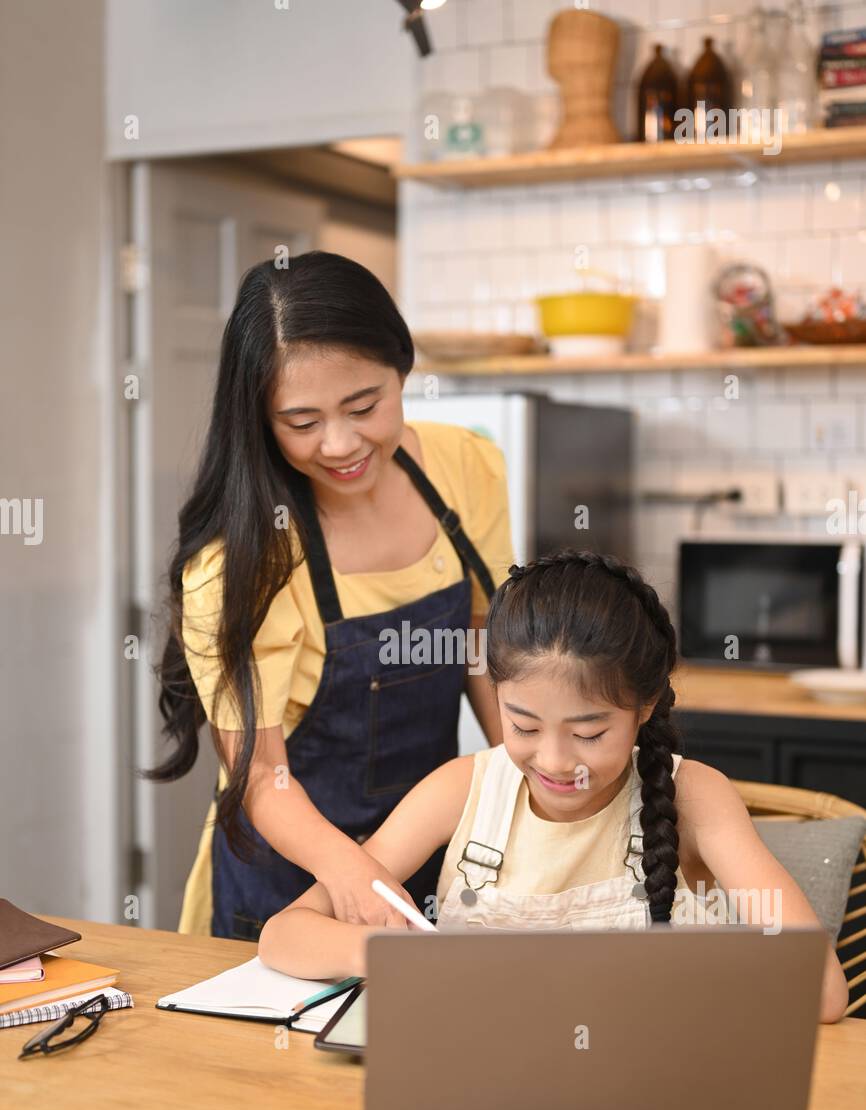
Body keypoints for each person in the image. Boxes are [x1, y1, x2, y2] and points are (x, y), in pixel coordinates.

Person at [258, 550, 850, 1023]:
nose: (556, 760)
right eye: (523, 725)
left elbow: (823, 991)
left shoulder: (695, 796)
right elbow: (283, 937)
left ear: (645, 706)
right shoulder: (463, 788)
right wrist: (403, 957)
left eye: (589, 732)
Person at [144, 252, 514, 939]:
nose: (341, 444)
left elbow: (483, 650)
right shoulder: (240, 564)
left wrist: (528, 791)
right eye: (302, 422)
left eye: (365, 405)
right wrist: (357, 876)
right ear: (258, 417)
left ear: (402, 370)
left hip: (432, 851)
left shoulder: (466, 466)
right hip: (288, 885)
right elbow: (260, 775)